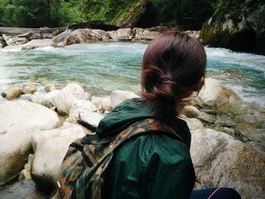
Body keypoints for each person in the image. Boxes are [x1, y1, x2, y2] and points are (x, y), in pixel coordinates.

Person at [95, 31, 241, 198]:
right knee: (228, 196)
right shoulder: (174, 155)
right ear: (199, 82)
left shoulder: (123, 111)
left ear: (145, 75)